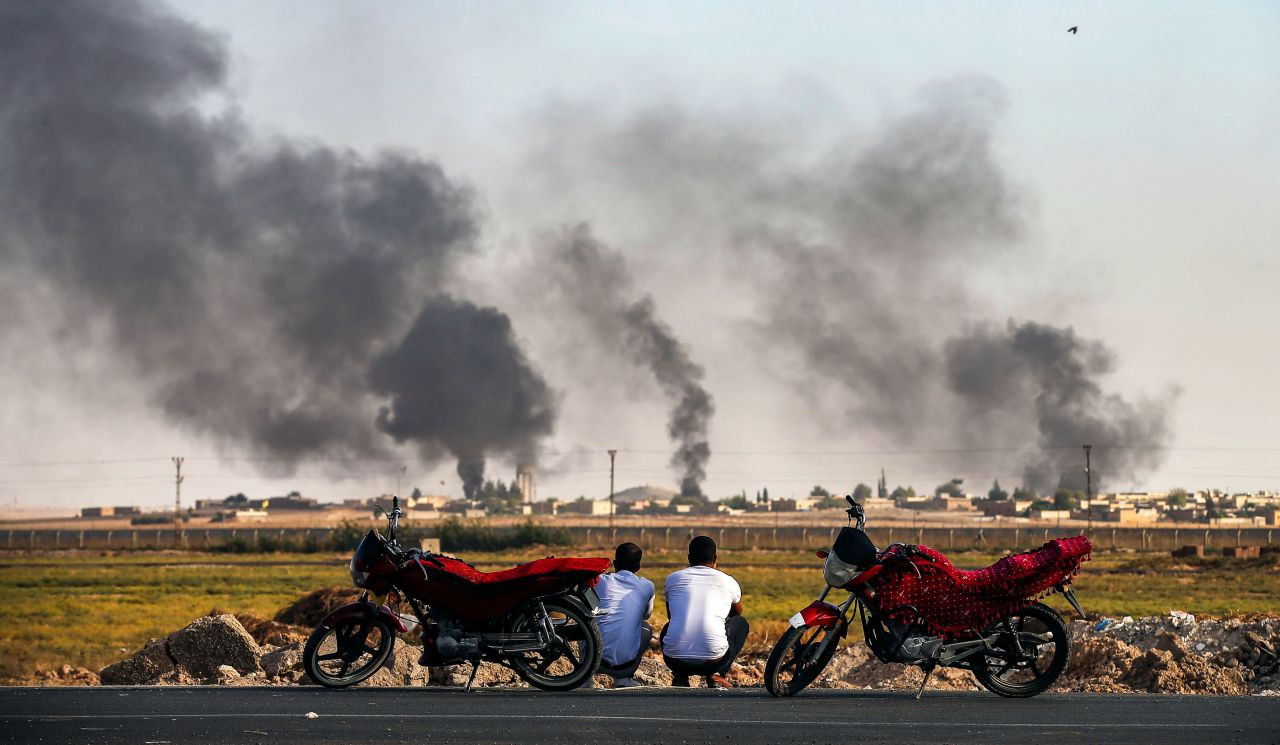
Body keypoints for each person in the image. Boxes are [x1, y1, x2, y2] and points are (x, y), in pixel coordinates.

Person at [660, 535, 749, 688]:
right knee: (741, 624)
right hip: (714, 662)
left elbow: (671, 615)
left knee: (668, 627)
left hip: (674, 660)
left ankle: (680, 676)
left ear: (689, 558)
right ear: (715, 558)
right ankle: (718, 674)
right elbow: (737, 613)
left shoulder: (673, 579)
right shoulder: (728, 581)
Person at [593, 542, 655, 688]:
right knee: (645, 628)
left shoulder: (600, 581)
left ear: (614, 563)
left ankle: (586, 679)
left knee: (586, 623)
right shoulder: (647, 586)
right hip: (625, 666)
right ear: (638, 567)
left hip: (594, 662)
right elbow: (645, 616)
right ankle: (624, 678)